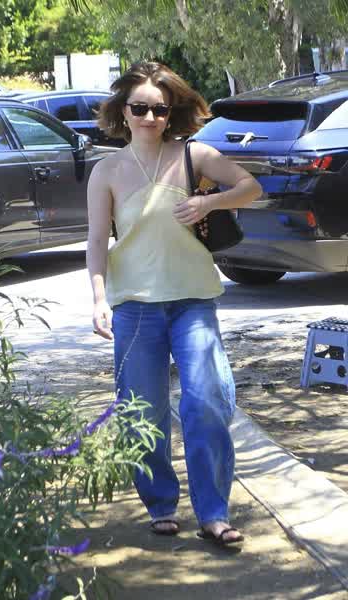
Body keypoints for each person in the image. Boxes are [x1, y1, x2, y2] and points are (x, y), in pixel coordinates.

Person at [86, 61, 262, 546]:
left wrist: (209, 203)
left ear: (171, 113)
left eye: (159, 109)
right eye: (140, 107)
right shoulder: (107, 170)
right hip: (134, 305)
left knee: (207, 401)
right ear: (124, 110)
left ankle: (213, 513)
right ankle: (161, 503)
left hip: (193, 300)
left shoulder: (194, 155)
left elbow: (250, 187)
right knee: (141, 412)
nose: (150, 117)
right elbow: (97, 240)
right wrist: (99, 298)